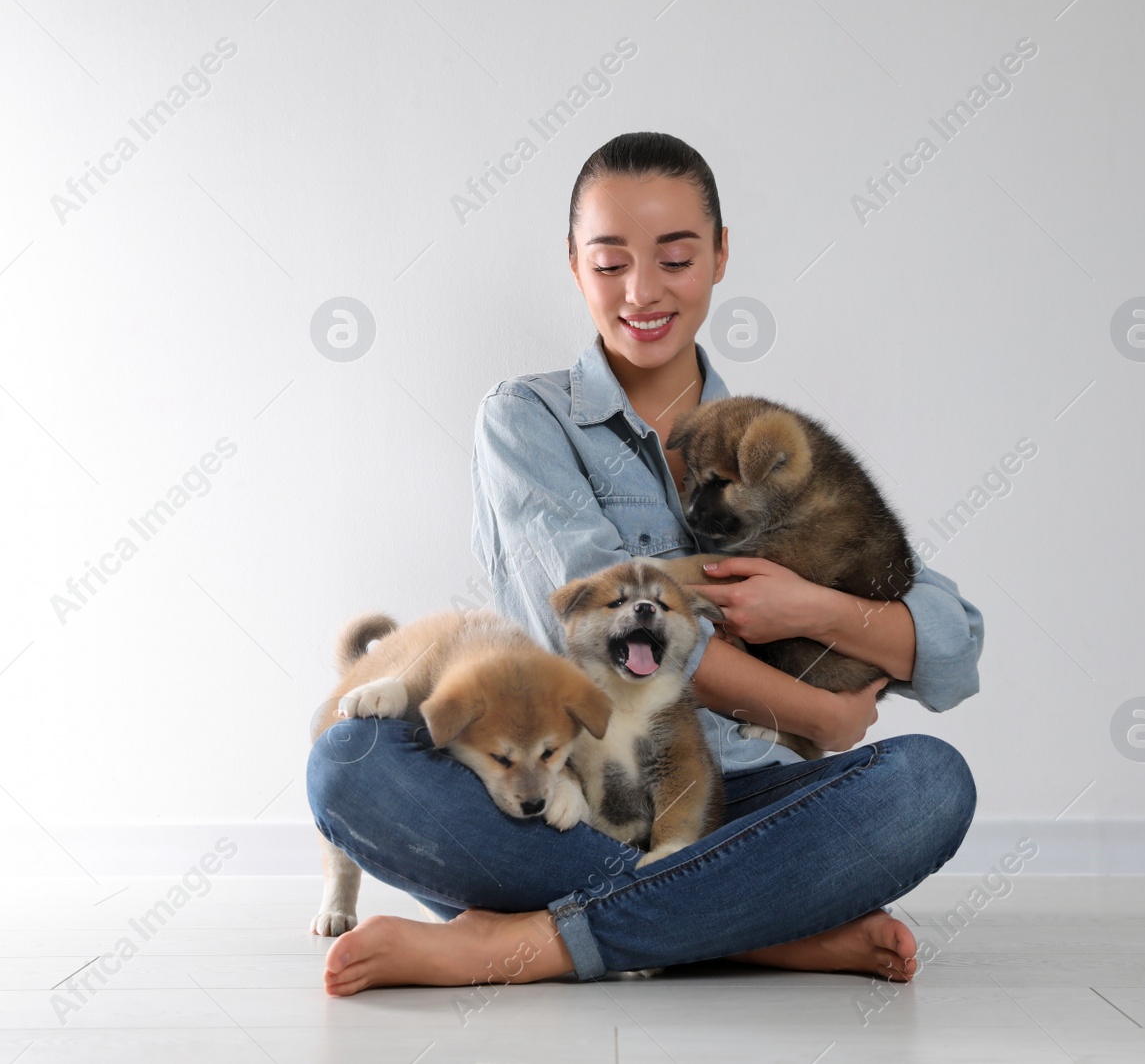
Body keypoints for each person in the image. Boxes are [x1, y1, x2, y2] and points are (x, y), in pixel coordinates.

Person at [308, 131, 984, 997]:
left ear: (721, 254)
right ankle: (748, 928)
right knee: (347, 762)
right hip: (578, 800)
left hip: (744, 801)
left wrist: (811, 610)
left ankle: (526, 944)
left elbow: (952, 642)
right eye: (610, 262)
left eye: (675, 257)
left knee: (929, 782)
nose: (643, 292)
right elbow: (603, 640)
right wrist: (820, 709)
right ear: (573, 262)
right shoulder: (526, 419)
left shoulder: (763, 441)